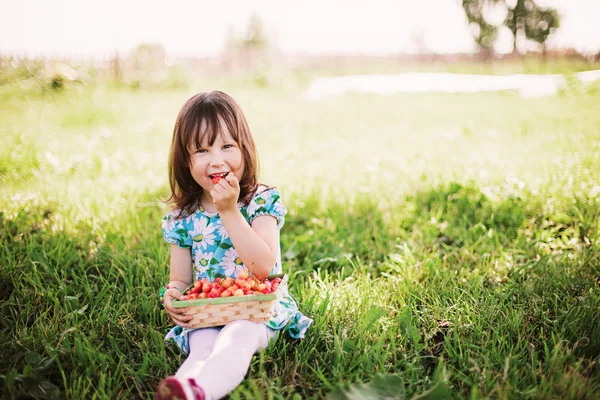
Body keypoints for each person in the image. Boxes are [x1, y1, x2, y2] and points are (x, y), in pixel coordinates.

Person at [156, 91, 312, 400]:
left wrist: (229, 210)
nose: (217, 160)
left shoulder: (260, 202)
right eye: (202, 150)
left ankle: (202, 392)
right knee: (201, 347)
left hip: (256, 312)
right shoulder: (183, 217)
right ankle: (182, 390)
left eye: (227, 146)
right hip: (207, 313)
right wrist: (172, 295)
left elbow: (263, 267)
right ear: (186, 161)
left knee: (236, 337)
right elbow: (181, 280)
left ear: (245, 148)